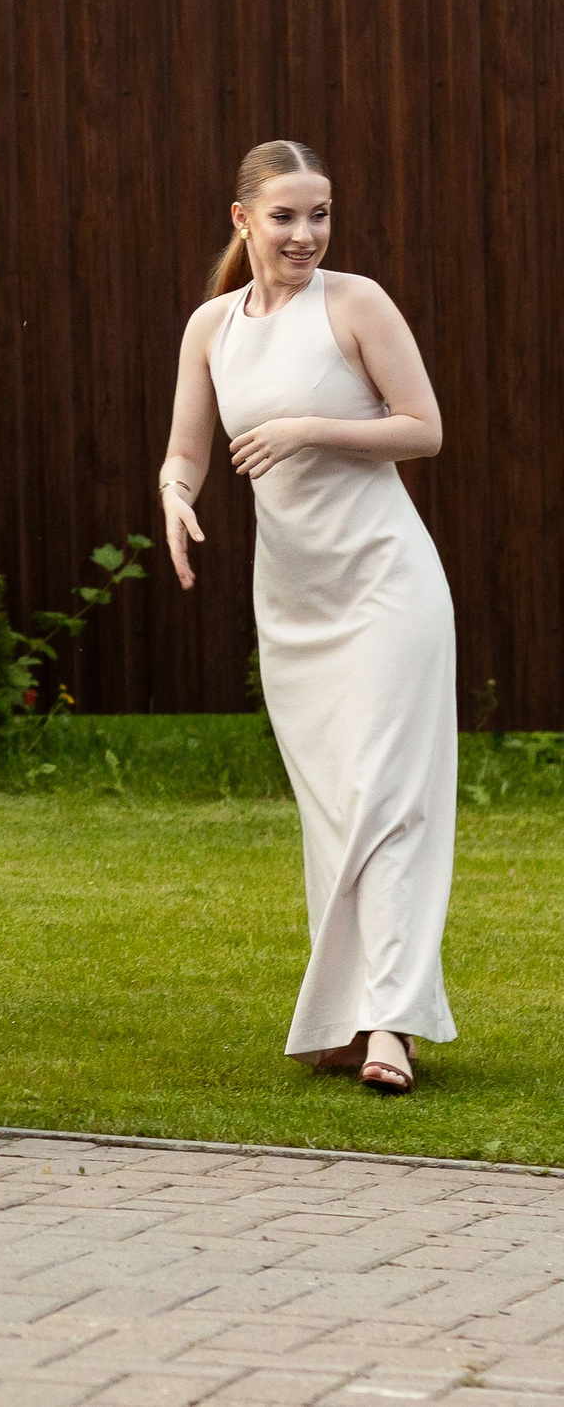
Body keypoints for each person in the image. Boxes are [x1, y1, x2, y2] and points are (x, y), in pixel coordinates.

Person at [158, 140, 454, 1096]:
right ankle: (342, 1018)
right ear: (243, 220)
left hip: (386, 588)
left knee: (388, 801)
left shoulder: (356, 303)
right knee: (334, 813)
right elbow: (185, 450)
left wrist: (309, 428)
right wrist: (175, 498)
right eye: (285, 216)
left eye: (319, 215)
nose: (306, 234)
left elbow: (424, 427)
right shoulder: (212, 326)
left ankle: (392, 1028)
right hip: (293, 603)